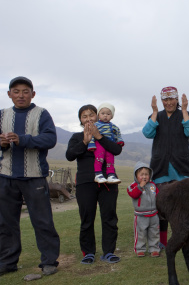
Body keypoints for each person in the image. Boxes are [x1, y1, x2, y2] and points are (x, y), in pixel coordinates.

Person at [0, 76, 60, 277]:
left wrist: (22, 139)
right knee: (5, 222)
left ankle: (49, 261)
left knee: (42, 221)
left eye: (25, 91)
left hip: (34, 176)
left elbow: (50, 138)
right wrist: (1, 143)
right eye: (16, 91)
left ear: (33, 94)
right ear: (9, 94)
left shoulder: (41, 114)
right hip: (5, 175)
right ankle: (7, 262)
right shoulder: (1, 115)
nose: (21, 95)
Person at [142, 86, 189, 251]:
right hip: (161, 168)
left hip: (182, 167)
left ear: (177, 99)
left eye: (172, 99)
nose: (168, 102)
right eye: (165, 99)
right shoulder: (156, 117)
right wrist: (153, 111)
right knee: (162, 207)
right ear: (161, 101)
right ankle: (163, 242)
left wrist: (186, 110)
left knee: (188, 207)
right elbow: (147, 133)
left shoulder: (185, 115)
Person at [66, 104, 122, 264]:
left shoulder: (108, 135)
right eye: (84, 116)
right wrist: (84, 141)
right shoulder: (76, 137)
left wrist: (99, 137)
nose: (88, 118)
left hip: (108, 182)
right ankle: (88, 252)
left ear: (97, 117)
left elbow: (117, 150)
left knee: (109, 218)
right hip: (85, 183)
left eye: (91, 115)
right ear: (80, 120)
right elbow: (70, 155)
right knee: (87, 218)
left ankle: (109, 252)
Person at [127, 162, 161, 257]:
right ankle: (140, 249)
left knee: (154, 233)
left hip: (154, 215)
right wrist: (140, 186)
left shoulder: (152, 185)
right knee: (140, 234)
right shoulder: (132, 186)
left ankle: (154, 249)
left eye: (146, 174)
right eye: (141, 174)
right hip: (140, 216)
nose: (144, 176)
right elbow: (133, 195)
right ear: (136, 175)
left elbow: (158, 197)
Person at [88, 102, 124, 184]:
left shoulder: (114, 127)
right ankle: (98, 174)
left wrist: (119, 141)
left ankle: (111, 175)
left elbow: (118, 134)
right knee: (99, 157)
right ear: (98, 114)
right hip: (99, 144)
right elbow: (91, 136)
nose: (105, 115)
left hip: (109, 144)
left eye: (108, 114)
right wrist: (91, 145)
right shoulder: (95, 125)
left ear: (112, 116)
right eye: (103, 113)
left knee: (110, 159)